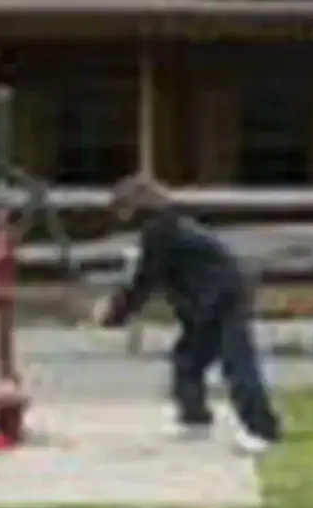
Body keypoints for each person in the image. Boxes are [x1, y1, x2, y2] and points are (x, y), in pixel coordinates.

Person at [92, 172, 283, 455]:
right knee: (188, 358)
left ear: (135, 207)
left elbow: (144, 281)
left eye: (122, 209)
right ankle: (195, 418)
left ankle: (262, 430)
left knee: (237, 362)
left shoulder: (160, 231)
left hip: (223, 298)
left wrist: (114, 316)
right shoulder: (168, 225)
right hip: (205, 300)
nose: (119, 217)